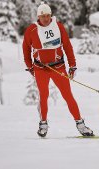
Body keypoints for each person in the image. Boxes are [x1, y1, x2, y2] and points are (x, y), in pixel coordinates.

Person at [22, 2, 94, 137]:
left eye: (48, 15)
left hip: (58, 67)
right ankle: (43, 123)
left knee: (68, 96)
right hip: (40, 68)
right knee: (43, 96)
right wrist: (30, 66)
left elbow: (67, 46)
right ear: (39, 17)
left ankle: (80, 124)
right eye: (43, 16)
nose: (46, 18)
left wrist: (72, 65)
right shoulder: (31, 30)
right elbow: (25, 48)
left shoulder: (58, 26)